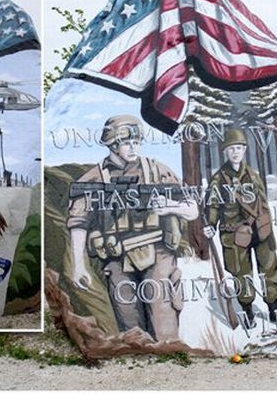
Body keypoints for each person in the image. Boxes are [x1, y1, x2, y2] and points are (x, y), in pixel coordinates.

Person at [66, 114, 198, 342]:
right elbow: (78, 223)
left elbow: (192, 209)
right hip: (117, 260)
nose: (133, 147)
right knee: (131, 331)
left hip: (158, 255)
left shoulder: (156, 171)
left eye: (136, 142)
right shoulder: (95, 178)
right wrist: (79, 266)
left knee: (164, 326)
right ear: (112, 144)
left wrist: (170, 206)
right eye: (127, 142)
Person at [203, 128, 277, 328]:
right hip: (234, 234)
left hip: (259, 231)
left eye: (239, 148)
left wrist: (268, 230)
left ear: (244, 150)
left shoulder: (253, 175)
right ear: (226, 151)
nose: (235, 152)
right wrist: (210, 225)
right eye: (232, 148)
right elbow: (213, 205)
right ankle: (249, 313)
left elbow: (263, 202)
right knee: (242, 274)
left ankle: (273, 310)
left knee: (269, 269)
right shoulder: (218, 179)